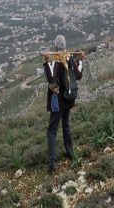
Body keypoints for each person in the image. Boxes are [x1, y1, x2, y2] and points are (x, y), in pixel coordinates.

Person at [43, 34, 85, 174]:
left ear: (56, 46)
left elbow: (50, 79)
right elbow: (78, 75)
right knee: (66, 125)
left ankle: (52, 163)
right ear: (65, 45)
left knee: (52, 130)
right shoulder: (69, 57)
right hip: (68, 99)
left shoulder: (56, 61)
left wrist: (45, 62)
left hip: (57, 101)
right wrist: (80, 60)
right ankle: (69, 152)